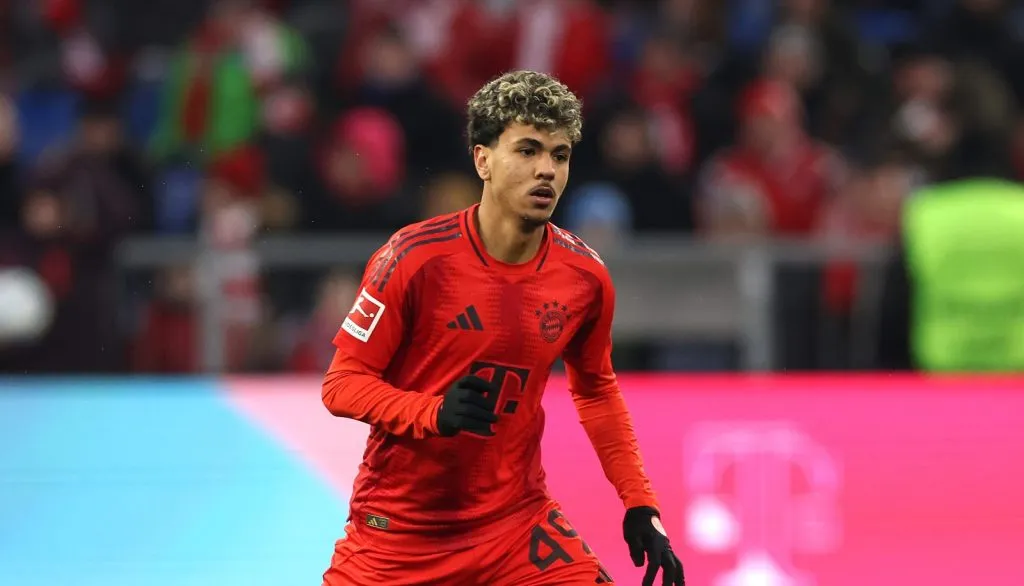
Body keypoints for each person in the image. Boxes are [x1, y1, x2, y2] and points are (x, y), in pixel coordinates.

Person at [320, 70, 685, 586]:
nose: (546, 172)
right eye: (528, 150)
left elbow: (597, 391)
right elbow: (341, 385)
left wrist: (640, 503)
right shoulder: (413, 258)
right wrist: (433, 413)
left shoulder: (585, 278)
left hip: (513, 525)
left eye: (559, 156)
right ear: (482, 159)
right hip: (400, 537)